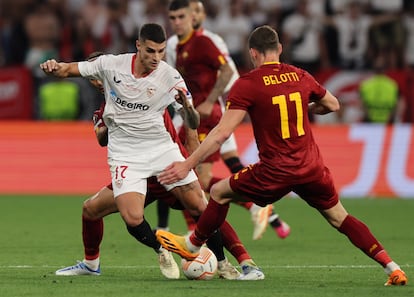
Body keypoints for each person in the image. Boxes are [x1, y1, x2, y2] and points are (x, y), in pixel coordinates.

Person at [155, 25, 408, 286]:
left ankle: (194, 244)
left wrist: (188, 163)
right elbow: (333, 104)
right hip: (311, 168)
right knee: (340, 217)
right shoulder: (299, 75)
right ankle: (393, 267)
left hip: (276, 171)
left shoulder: (248, 84)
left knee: (219, 192)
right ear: (279, 49)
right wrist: (304, 105)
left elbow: (221, 133)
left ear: (253, 53)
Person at [45, 27, 261, 280]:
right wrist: (52, 66)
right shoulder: (108, 90)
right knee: (109, 213)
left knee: (202, 207)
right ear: (138, 46)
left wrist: (190, 131)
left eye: (160, 51)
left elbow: (190, 119)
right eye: (151, 51)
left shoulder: (169, 77)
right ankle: (123, 257)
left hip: (164, 156)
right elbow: (67, 70)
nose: (156, 57)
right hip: (129, 160)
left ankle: (235, 262)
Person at [165, 0, 290, 241]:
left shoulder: (207, 41)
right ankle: (205, 225)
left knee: (198, 176)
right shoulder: (175, 46)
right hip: (192, 116)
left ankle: (254, 207)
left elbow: (229, 72)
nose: (178, 22)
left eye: (184, 16)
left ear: (194, 16)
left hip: (211, 116)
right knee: (185, 172)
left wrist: (213, 100)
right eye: (174, 18)